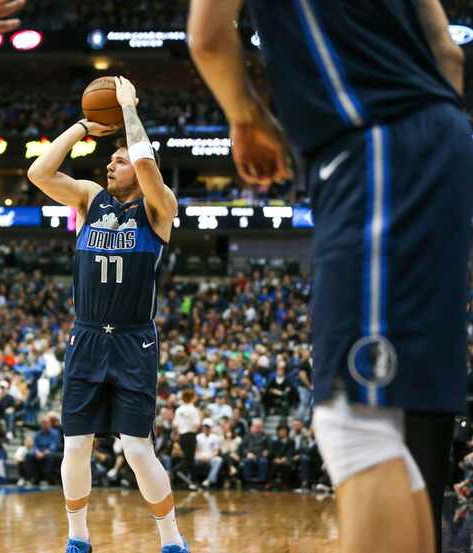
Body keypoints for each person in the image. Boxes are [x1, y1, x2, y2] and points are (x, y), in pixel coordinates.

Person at [188, 1, 471, 551]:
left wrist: (246, 115)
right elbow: (446, 52)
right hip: (422, 142)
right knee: (381, 423)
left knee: (355, 421)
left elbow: (206, 36)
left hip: (378, 144)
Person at [28, 77, 187, 553]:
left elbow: (143, 160)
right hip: (88, 335)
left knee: (138, 449)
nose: (110, 163)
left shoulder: (160, 209)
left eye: (118, 160)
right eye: (111, 159)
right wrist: (81, 126)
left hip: (135, 340)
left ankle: (172, 542)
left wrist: (130, 108)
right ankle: (78, 539)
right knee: (75, 445)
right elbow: (40, 172)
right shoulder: (88, 198)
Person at [194, 419, 222, 489]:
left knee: (218, 460)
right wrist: (200, 457)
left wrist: (208, 457)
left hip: (210, 458)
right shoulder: (198, 437)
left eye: (208, 427)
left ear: (211, 428)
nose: (206, 428)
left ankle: (209, 480)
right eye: (204, 427)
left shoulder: (215, 437)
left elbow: (216, 452)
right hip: (199, 457)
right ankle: (193, 481)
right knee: (192, 459)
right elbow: (196, 451)